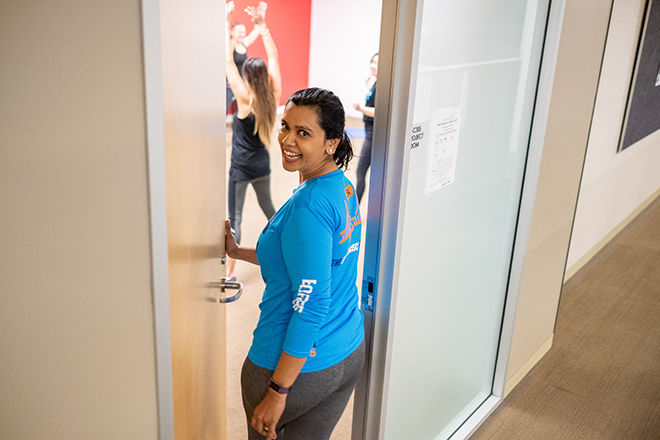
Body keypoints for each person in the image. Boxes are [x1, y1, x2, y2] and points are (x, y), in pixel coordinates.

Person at [225, 88, 365, 440]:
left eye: (303, 133)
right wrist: (237, 251)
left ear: (331, 143)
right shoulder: (341, 188)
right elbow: (303, 262)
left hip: (294, 367)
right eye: (286, 126)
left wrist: (278, 391)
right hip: (346, 351)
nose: (287, 139)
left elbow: (312, 303)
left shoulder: (309, 207)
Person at [225, 1, 279, 281]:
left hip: (241, 168)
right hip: (263, 165)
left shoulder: (244, 99)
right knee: (270, 209)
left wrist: (225, 23)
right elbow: (275, 60)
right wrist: (263, 28)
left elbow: (225, 62)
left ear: (247, 76)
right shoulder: (272, 96)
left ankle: (231, 273)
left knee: (235, 219)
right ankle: (287, 246)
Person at [226, 1, 267, 114]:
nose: (243, 34)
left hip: (242, 83)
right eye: (239, 32)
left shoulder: (244, 43)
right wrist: (228, 16)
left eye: (244, 31)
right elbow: (225, 30)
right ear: (232, 33)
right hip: (229, 85)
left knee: (244, 110)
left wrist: (262, 11)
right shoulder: (229, 45)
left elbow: (257, 29)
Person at [352, 52, 378, 204]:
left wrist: (360, 108)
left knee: (360, 171)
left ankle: (354, 209)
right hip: (370, 132)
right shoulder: (376, 83)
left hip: (373, 134)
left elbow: (378, 111)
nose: (372, 66)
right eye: (372, 62)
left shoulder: (380, 85)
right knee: (362, 171)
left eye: (376, 63)